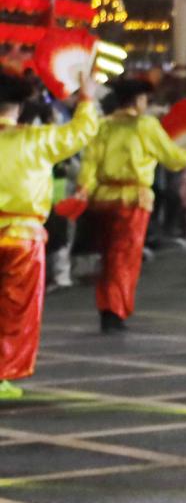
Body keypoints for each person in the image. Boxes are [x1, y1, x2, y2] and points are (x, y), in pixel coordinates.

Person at [0, 73, 99, 399]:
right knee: (16, 310)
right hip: (22, 237)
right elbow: (83, 130)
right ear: (19, 107)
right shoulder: (38, 138)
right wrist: (86, 98)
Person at [76, 77, 186, 334]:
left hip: (103, 199)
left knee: (109, 257)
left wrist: (83, 190)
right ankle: (115, 310)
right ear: (138, 100)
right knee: (125, 258)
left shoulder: (103, 126)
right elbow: (171, 157)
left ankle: (108, 307)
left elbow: (89, 163)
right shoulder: (145, 125)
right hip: (132, 200)